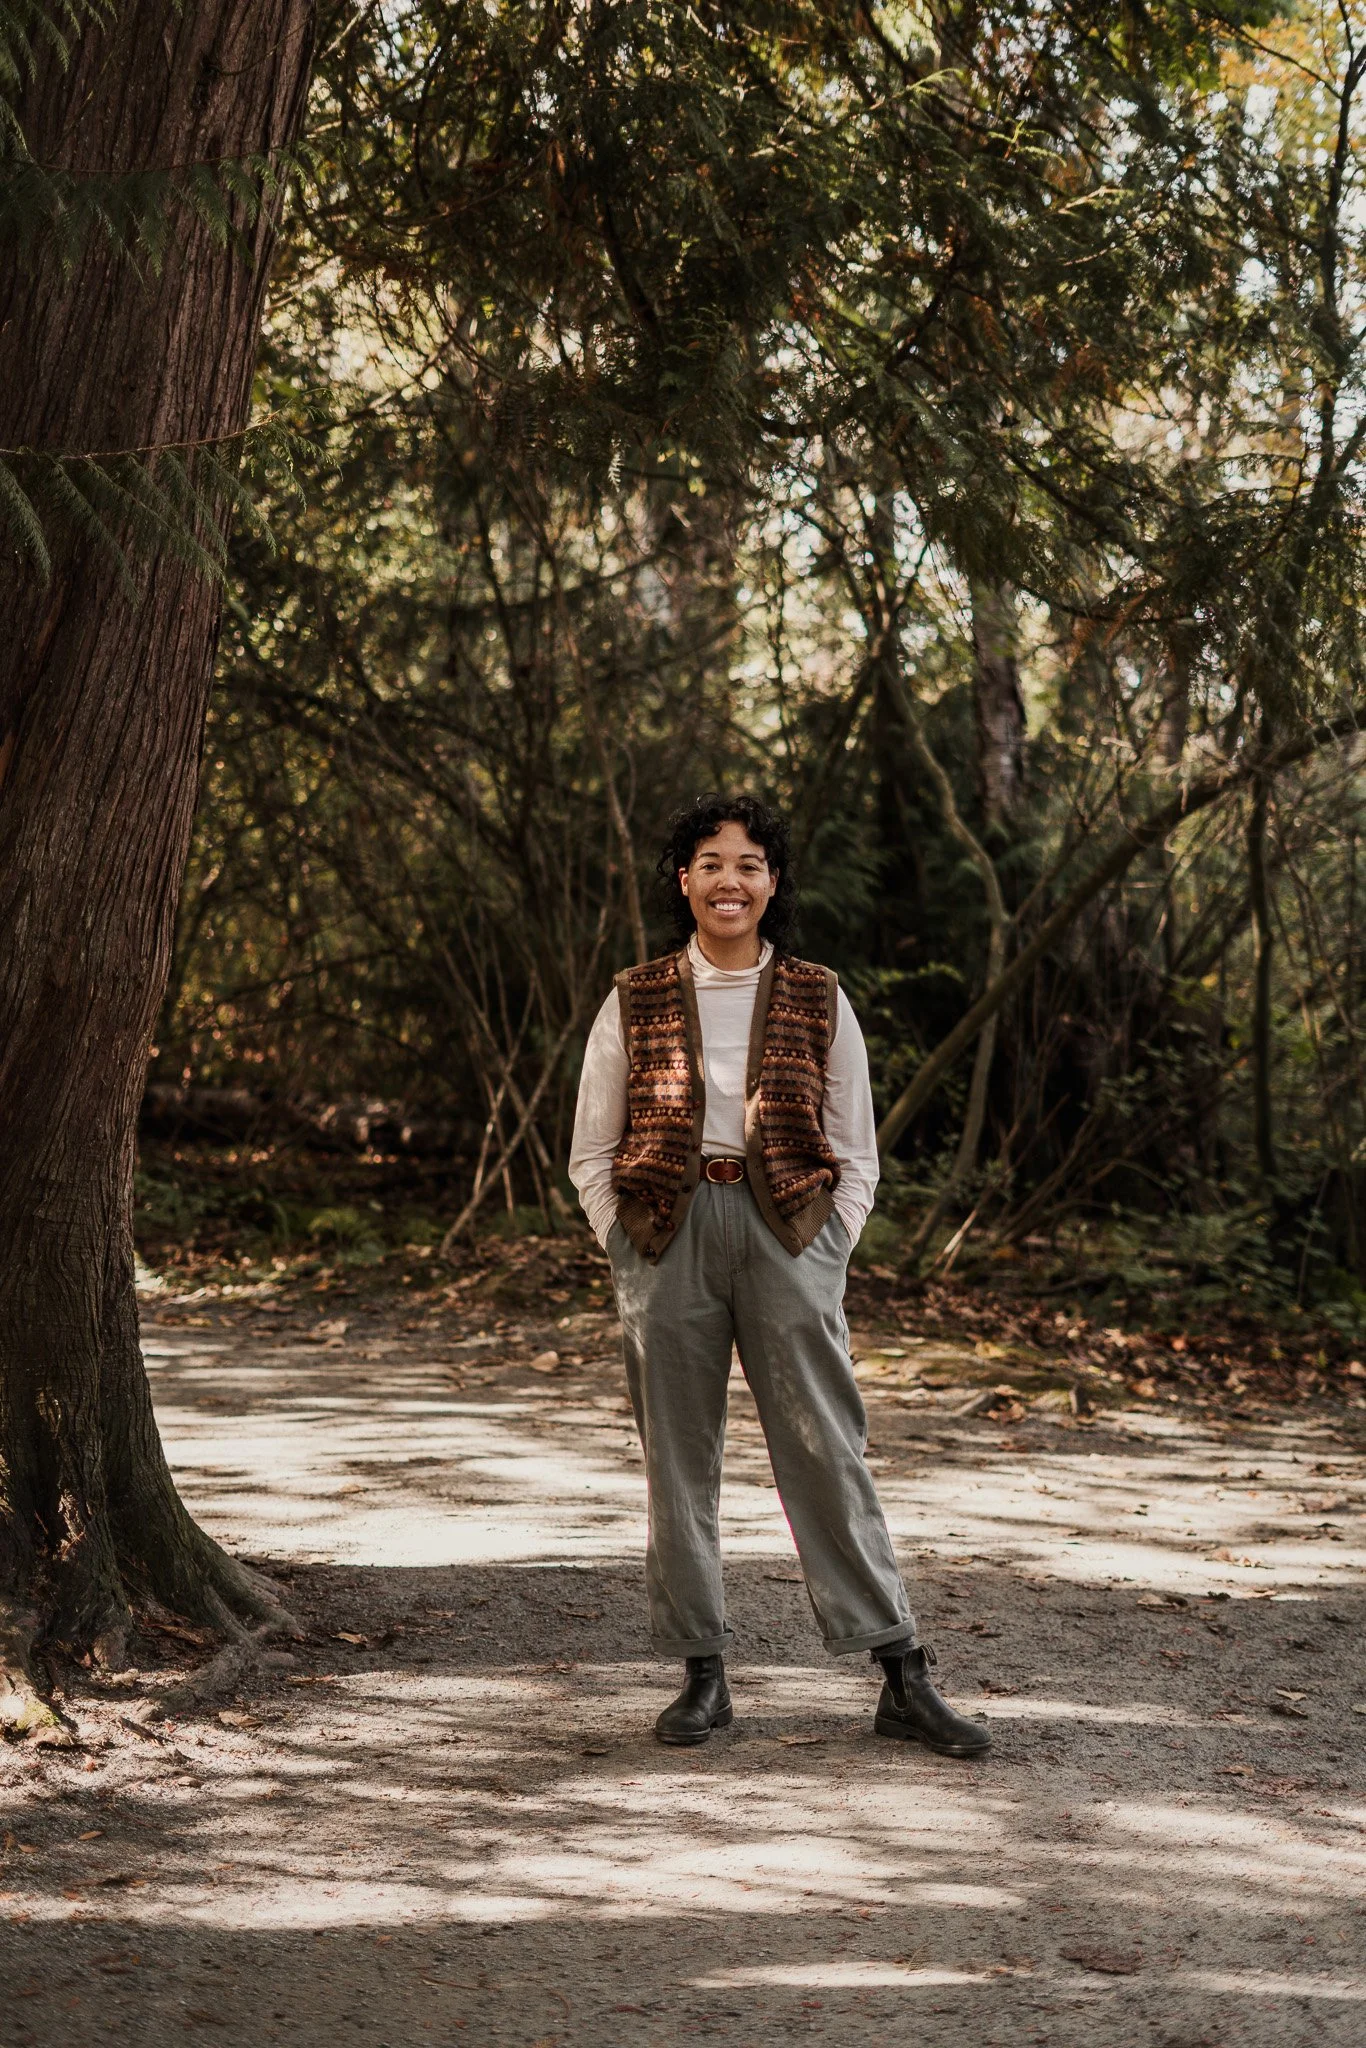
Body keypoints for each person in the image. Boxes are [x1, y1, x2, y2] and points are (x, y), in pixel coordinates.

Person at [569, 793, 989, 1756]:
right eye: (711, 862)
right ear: (685, 881)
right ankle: (702, 1674)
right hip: (666, 1235)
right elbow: (593, 1143)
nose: (730, 879)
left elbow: (858, 1142)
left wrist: (832, 1241)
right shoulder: (633, 996)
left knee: (825, 1448)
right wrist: (621, 1241)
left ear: (771, 883)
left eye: (750, 863)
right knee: (681, 1461)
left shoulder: (815, 992)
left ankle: (899, 1670)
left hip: (788, 1233)